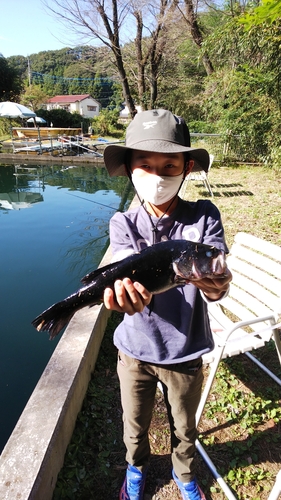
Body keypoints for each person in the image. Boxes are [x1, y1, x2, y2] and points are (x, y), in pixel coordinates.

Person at [102, 109, 232, 500]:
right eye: (145, 164)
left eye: (169, 165)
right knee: (134, 422)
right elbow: (123, 274)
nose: (158, 176)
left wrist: (216, 284)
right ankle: (136, 467)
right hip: (134, 351)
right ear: (129, 168)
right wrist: (122, 299)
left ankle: (185, 474)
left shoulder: (203, 217)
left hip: (186, 352)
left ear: (186, 167)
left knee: (184, 424)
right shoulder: (123, 223)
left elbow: (216, 284)